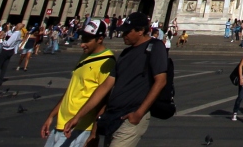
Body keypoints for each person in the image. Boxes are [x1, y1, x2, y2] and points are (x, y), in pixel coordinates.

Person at [98, 12, 169, 147]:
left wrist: (139, 114)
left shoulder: (156, 47)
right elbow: (107, 85)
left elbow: (161, 81)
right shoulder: (125, 53)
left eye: (127, 32)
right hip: (114, 116)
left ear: (141, 31)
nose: (123, 35)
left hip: (131, 116)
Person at [41, 19, 115, 147]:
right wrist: (51, 116)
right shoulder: (85, 56)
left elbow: (104, 101)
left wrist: (94, 133)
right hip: (62, 123)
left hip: (80, 127)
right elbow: (71, 89)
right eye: (83, 39)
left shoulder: (107, 62)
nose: (82, 44)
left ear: (100, 39)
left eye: (87, 40)